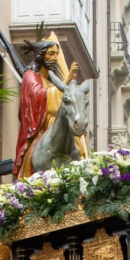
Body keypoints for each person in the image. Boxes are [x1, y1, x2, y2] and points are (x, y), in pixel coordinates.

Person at [14, 38, 79, 178]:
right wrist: (66, 82)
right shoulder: (30, 76)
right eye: (51, 54)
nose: (55, 58)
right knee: (34, 156)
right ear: (41, 55)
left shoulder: (50, 81)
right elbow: (38, 97)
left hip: (57, 126)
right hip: (41, 130)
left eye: (56, 54)